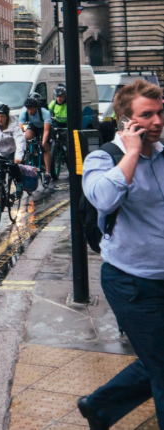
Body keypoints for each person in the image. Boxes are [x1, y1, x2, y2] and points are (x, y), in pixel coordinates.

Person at [79, 80, 164, 430]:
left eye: (161, 113)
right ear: (126, 121)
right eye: (147, 115)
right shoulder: (103, 158)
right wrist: (131, 154)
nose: (158, 121)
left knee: (154, 358)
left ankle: (100, 407)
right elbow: (103, 200)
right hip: (132, 283)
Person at [19, 94, 53, 184]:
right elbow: (20, 128)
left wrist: (43, 142)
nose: (29, 111)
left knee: (45, 147)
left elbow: (46, 130)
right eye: (28, 108)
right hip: (34, 126)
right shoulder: (24, 113)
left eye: (31, 108)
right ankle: (34, 153)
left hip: (44, 127)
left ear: (36, 107)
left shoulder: (44, 112)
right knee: (25, 137)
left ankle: (48, 173)